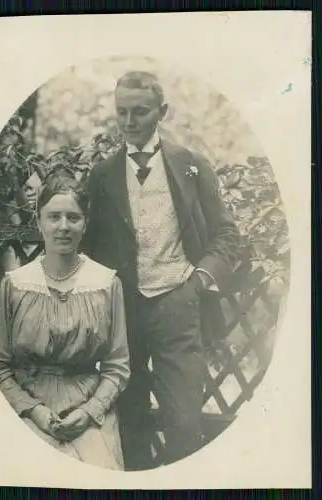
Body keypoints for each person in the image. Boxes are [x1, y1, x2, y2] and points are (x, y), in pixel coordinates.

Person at [82, 71, 241, 470]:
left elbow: (226, 233)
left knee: (186, 422)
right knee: (129, 421)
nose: (130, 121)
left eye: (140, 111)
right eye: (122, 112)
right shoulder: (102, 175)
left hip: (178, 305)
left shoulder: (191, 165)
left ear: (162, 112)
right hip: (125, 313)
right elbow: (92, 245)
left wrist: (200, 280)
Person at [0, 165, 130, 470]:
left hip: (87, 410)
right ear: (39, 223)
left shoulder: (106, 283)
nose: (64, 226)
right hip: (27, 406)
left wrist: (90, 411)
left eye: (73, 218)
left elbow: (117, 366)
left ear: (85, 224)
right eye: (54, 217)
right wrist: (33, 411)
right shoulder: (17, 284)